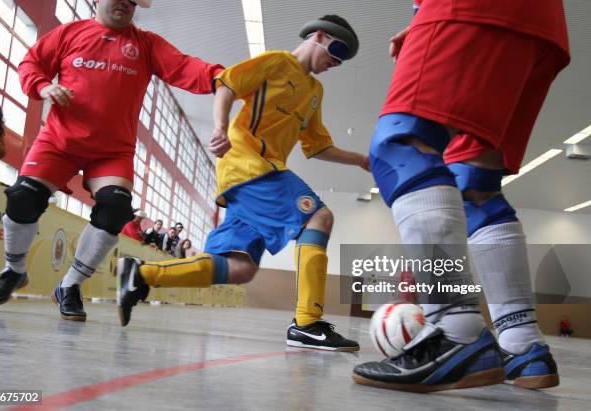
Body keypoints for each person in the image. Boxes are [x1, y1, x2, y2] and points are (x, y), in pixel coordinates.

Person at [353, 0, 569, 392]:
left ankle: (455, 329)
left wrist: (426, 15)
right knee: (475, 187)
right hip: (541, 24)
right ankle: (522, 344)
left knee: (400, 148)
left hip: (468, 7)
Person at [117, 15, 369, 351]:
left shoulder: (314, 92)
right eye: (335, 51)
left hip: (251, 183)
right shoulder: (277, 62)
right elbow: (228, 83)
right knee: (319, 217)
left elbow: (318, 146)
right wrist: (220, 127)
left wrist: (363, 161)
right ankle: (307, 322)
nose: (334, 63)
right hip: (249, 166)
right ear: (319, 36)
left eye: (341, 61)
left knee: (239, 268)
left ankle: (141, 275)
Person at [0, 0, 224, 323]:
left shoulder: (146, 44)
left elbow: (185, 67)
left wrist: (224, 77)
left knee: (116, 208)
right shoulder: (69, 33)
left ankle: (69, 286)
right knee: (24, 196)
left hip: (112, 151)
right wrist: (44, 86)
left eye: (131, 0)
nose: (124, 3)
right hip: (59, 141)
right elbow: (31, 64)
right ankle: (14, 269)